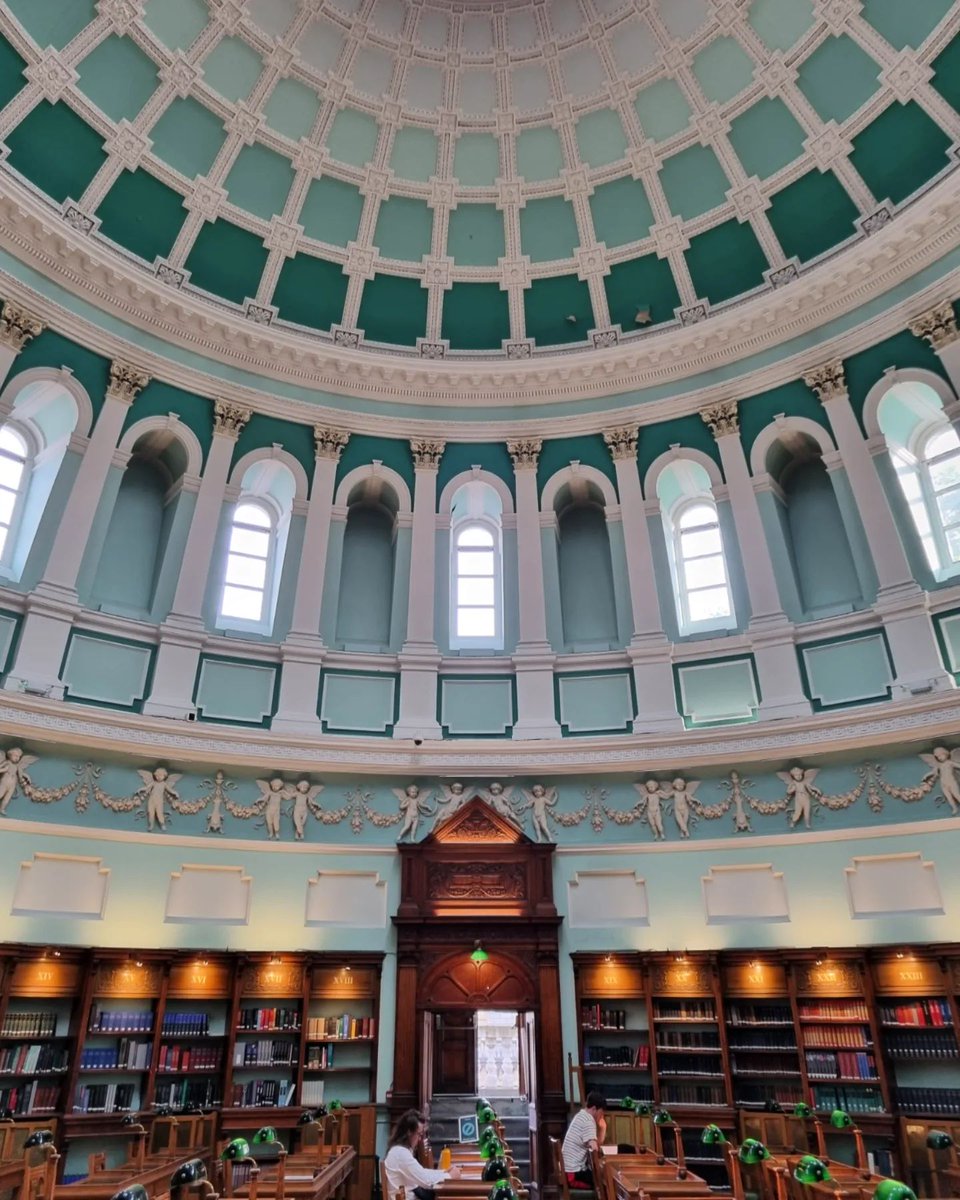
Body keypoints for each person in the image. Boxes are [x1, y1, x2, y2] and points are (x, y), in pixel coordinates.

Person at [383, 1110, 461, 1200]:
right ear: (409, 1132)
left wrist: (444, 1172)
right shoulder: (400, 1153)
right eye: (419, 1134)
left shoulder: (399, 1150)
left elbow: (421, 1172)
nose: (420, 1139)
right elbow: (425, 1180)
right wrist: (450, 1176)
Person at [562, 1091, 607, 1189]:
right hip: (573, 1175)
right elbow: (595, 1150)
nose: (601, 1116)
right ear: (594, 1109)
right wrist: (603, 1129)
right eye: (601, 1113)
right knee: (607, 1181)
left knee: (605, 1178)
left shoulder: (581, 1115)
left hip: (569, 1171)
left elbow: (593, 1147)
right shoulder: (588, 1120)